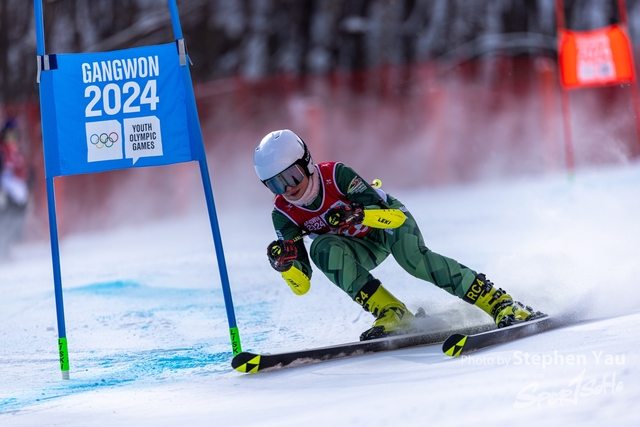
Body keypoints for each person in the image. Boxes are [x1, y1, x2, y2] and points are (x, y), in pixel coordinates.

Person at [254, 129, 544, 341]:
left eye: (291, 176)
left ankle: (499, 302)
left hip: (388, 225)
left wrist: (357, 214)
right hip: (358, 247)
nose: (288, 188)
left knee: (413, 260)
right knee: (321, 249)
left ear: (306, 163)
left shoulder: (335, 175)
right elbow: (302, 287)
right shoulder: (283, 213)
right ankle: (393, 313)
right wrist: (287, 267)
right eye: (275, 184)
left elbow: (392, 217)